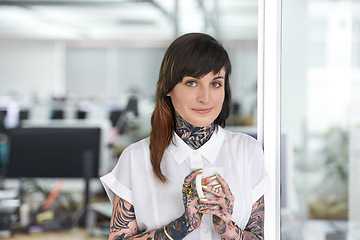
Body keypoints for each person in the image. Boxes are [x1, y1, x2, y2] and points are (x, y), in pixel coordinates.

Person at [100, 32, 270, 240]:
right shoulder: (136, 158)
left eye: (216, 83)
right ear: (168, 88)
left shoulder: (248, 151)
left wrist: (229, 229)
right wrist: (181, 226)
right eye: (192, 83)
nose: (205, 98)